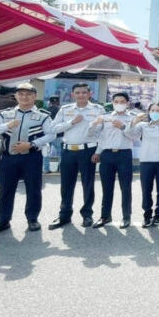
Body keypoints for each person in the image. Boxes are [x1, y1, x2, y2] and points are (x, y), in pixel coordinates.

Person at [0, 83, 55, 235]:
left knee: (33, 189)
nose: (24, 97)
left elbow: (51, 135)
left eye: (28, 94)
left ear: (35, 97)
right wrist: (6, 126)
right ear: (15, 96)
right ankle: (3, 221)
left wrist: (32, 144)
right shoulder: (4, 114)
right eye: (21, 94)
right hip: (8, 158)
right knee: (6, 190)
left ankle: (32, 219)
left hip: (32, 157)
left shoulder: (43, 115)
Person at [48, 83, 105, 229]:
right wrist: (71, 122)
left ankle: (87, 215)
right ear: (73, 94)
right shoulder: (65, 110)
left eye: (84, 92)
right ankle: (64, 215)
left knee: (88, 184)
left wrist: (98, 151)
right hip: (68, 151)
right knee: (66, 185)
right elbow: (53, 128)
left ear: (89, 94)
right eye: (78, 92)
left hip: (88, 151)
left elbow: (103, 133)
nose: (81, 95)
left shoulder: (97, 109)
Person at [86, 92, 137, 229]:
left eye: (122, 101)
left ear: (127, 103)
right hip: (107, 155)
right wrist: (97, 152)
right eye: (116, 101)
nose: (119, 104)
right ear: (112, 102)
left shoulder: (133, 118)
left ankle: (126, 217)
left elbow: (136, 137)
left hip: (124, 155)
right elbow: (100, 137)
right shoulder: (106, 117)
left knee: (125, 187)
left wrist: (123, 127)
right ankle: (105, 216)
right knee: (106, 188)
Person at [125, 103, 159, 227]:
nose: (155, 112)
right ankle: (147, 215)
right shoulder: (143, 126)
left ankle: (157, 215)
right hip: (147, 161)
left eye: (158, 110)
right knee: (146, 189)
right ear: (149, 112)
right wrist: (135, 121)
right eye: (153, 110)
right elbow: (130, 135)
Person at [42, 95, 61, 173]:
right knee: (60, 152)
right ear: (58, 102)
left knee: (47, 152)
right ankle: (60, 169)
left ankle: (46, 169)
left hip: (47, 135)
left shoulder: (45, 111)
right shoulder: (60, 111)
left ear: (50, 102)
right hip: (58, 134)